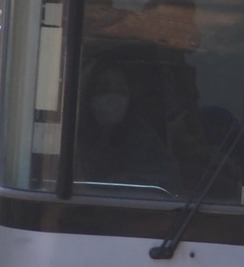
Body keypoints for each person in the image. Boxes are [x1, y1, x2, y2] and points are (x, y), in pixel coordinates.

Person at [74, 59, 183, 193]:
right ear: (87, 95)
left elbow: (167, 180)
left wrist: (118, 182)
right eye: (103, 90)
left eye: (121, 91)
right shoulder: (71, 139)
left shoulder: (142, 136)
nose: (113, 98)